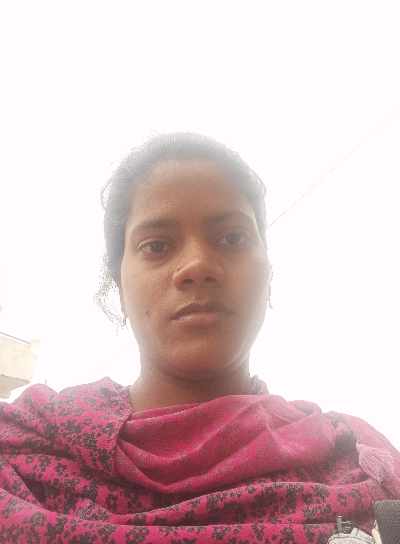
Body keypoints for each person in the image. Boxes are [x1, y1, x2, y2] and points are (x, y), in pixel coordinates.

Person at [0, 133, 399, 543]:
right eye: (157, 246)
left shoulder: (361, 466)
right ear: (119, 286)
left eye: (232, 238)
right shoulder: (21, 458)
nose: (197, 265)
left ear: (268, 275)